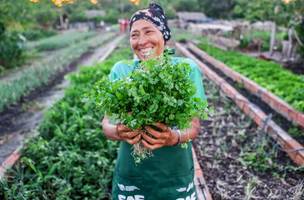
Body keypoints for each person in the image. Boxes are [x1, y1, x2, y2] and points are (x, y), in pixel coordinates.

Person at [101, 3, 206, 200]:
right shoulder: (121, 70)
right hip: (132, 175)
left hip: (174, 174)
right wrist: (118, 131)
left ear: (164, 35)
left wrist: (173, 137)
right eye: (134, 35)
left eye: (149, 31)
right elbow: (106, 125)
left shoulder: (186, 69)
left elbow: (193, 127)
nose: (142, 41)